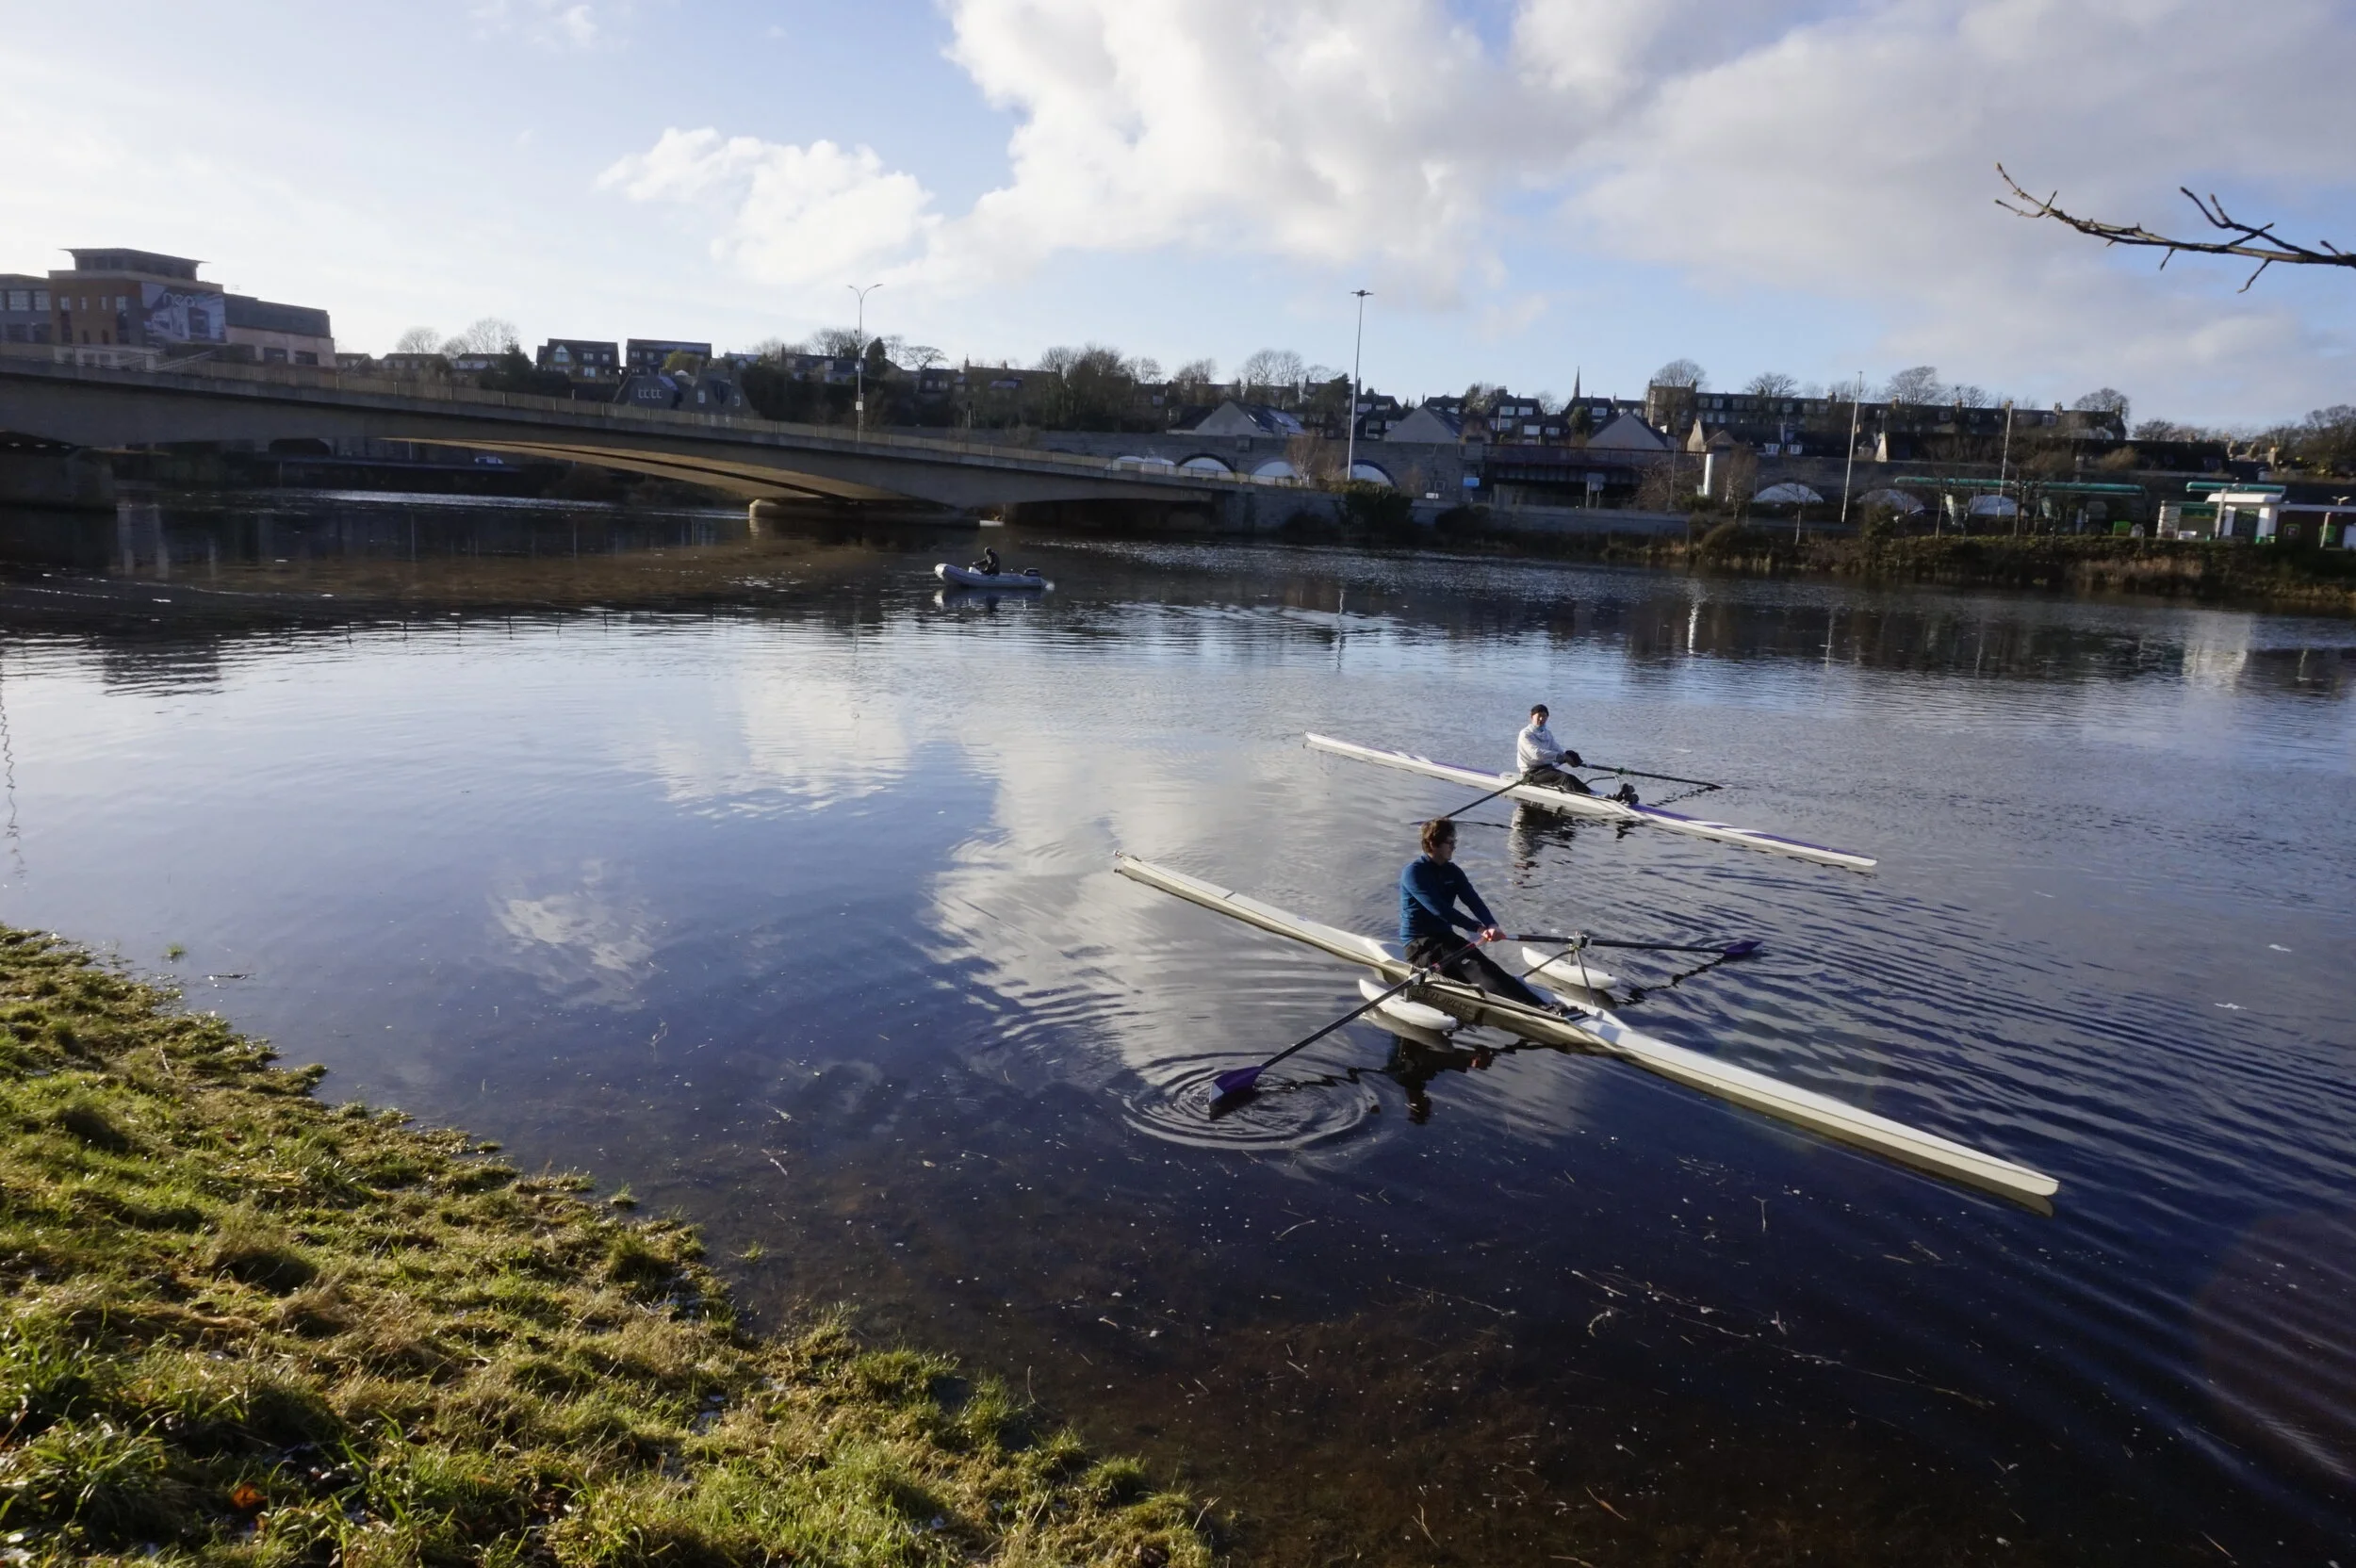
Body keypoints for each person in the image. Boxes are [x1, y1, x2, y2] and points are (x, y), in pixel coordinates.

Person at [1398, 818, 1557, 1012]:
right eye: (1450, 842)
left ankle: (1538, 1003)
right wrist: (1478, 928)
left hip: (1445, 939)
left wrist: (1491, 924)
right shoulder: (1414, 873)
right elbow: (1439, 910)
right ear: (1432, 843)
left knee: (1483, 963)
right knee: (1475, 965)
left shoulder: (1453, 871)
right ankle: (1537, 1008)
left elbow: (1473, 900)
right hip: (1419, 946)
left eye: (1454, 842)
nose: (1454, 847)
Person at [1515, 703, 1637, 805]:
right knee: (1566, 778)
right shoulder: (1525, 734)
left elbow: (1557, 749)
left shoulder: (1547, 733)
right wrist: (1562, 757)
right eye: (1539, 716)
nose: (1541, 719)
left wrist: (1569, 755)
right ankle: (1601, 798)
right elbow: (1536, 754)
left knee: (1569, 777)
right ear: (1532, 717)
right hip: (1531, 773)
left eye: (1544, 716)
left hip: (1546, 769)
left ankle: (1606, 796)